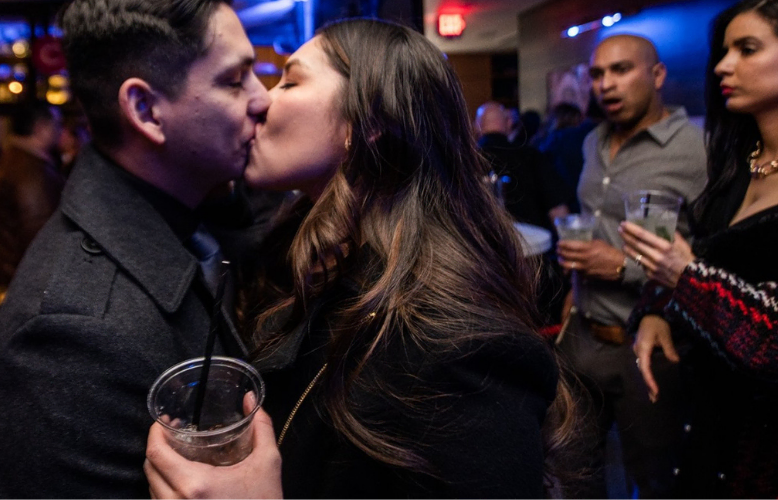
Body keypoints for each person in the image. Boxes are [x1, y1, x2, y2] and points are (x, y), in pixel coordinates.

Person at [144, 18, 575, 498]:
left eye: (290, 80)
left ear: (369, 123)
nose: (261, 99)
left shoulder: (457, 345)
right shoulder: (314, 261)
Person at [0, 0, 271, 496]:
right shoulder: (67, 338)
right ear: (146, 110)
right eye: (235, 80)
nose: (263, 100)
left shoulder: (197, 211)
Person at [620, 1, 778, 496]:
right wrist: (657, 310)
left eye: (746, 49)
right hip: (709, 420)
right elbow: (708, 258)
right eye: (723, 50)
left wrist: (682, 275)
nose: (722, 66)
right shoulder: (736, 160)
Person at [555, 34, 708, 498]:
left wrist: (623, 267)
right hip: (581, 336)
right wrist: (573, 290)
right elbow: (597, 231)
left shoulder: (698, 148)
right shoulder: (592, 142)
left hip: (648, 347)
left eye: (622, 70)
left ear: (657, 75)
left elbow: (712, 262)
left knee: (657, 479)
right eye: (598, 74)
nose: (606, 84)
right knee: (573, 471)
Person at [0, 103, 65, 288]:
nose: (60, 131)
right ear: (40, 128)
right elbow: (38, 227)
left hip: (18, 273)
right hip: (32, 278)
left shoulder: (15, 159)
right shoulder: (30, 171)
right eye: (57, 124)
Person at [475, 101, 569, 231]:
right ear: (508, 124)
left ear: (477, 126)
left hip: (477, 248)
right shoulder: (532, 156)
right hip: (534, 247)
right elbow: (557, 209)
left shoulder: (464, 161)